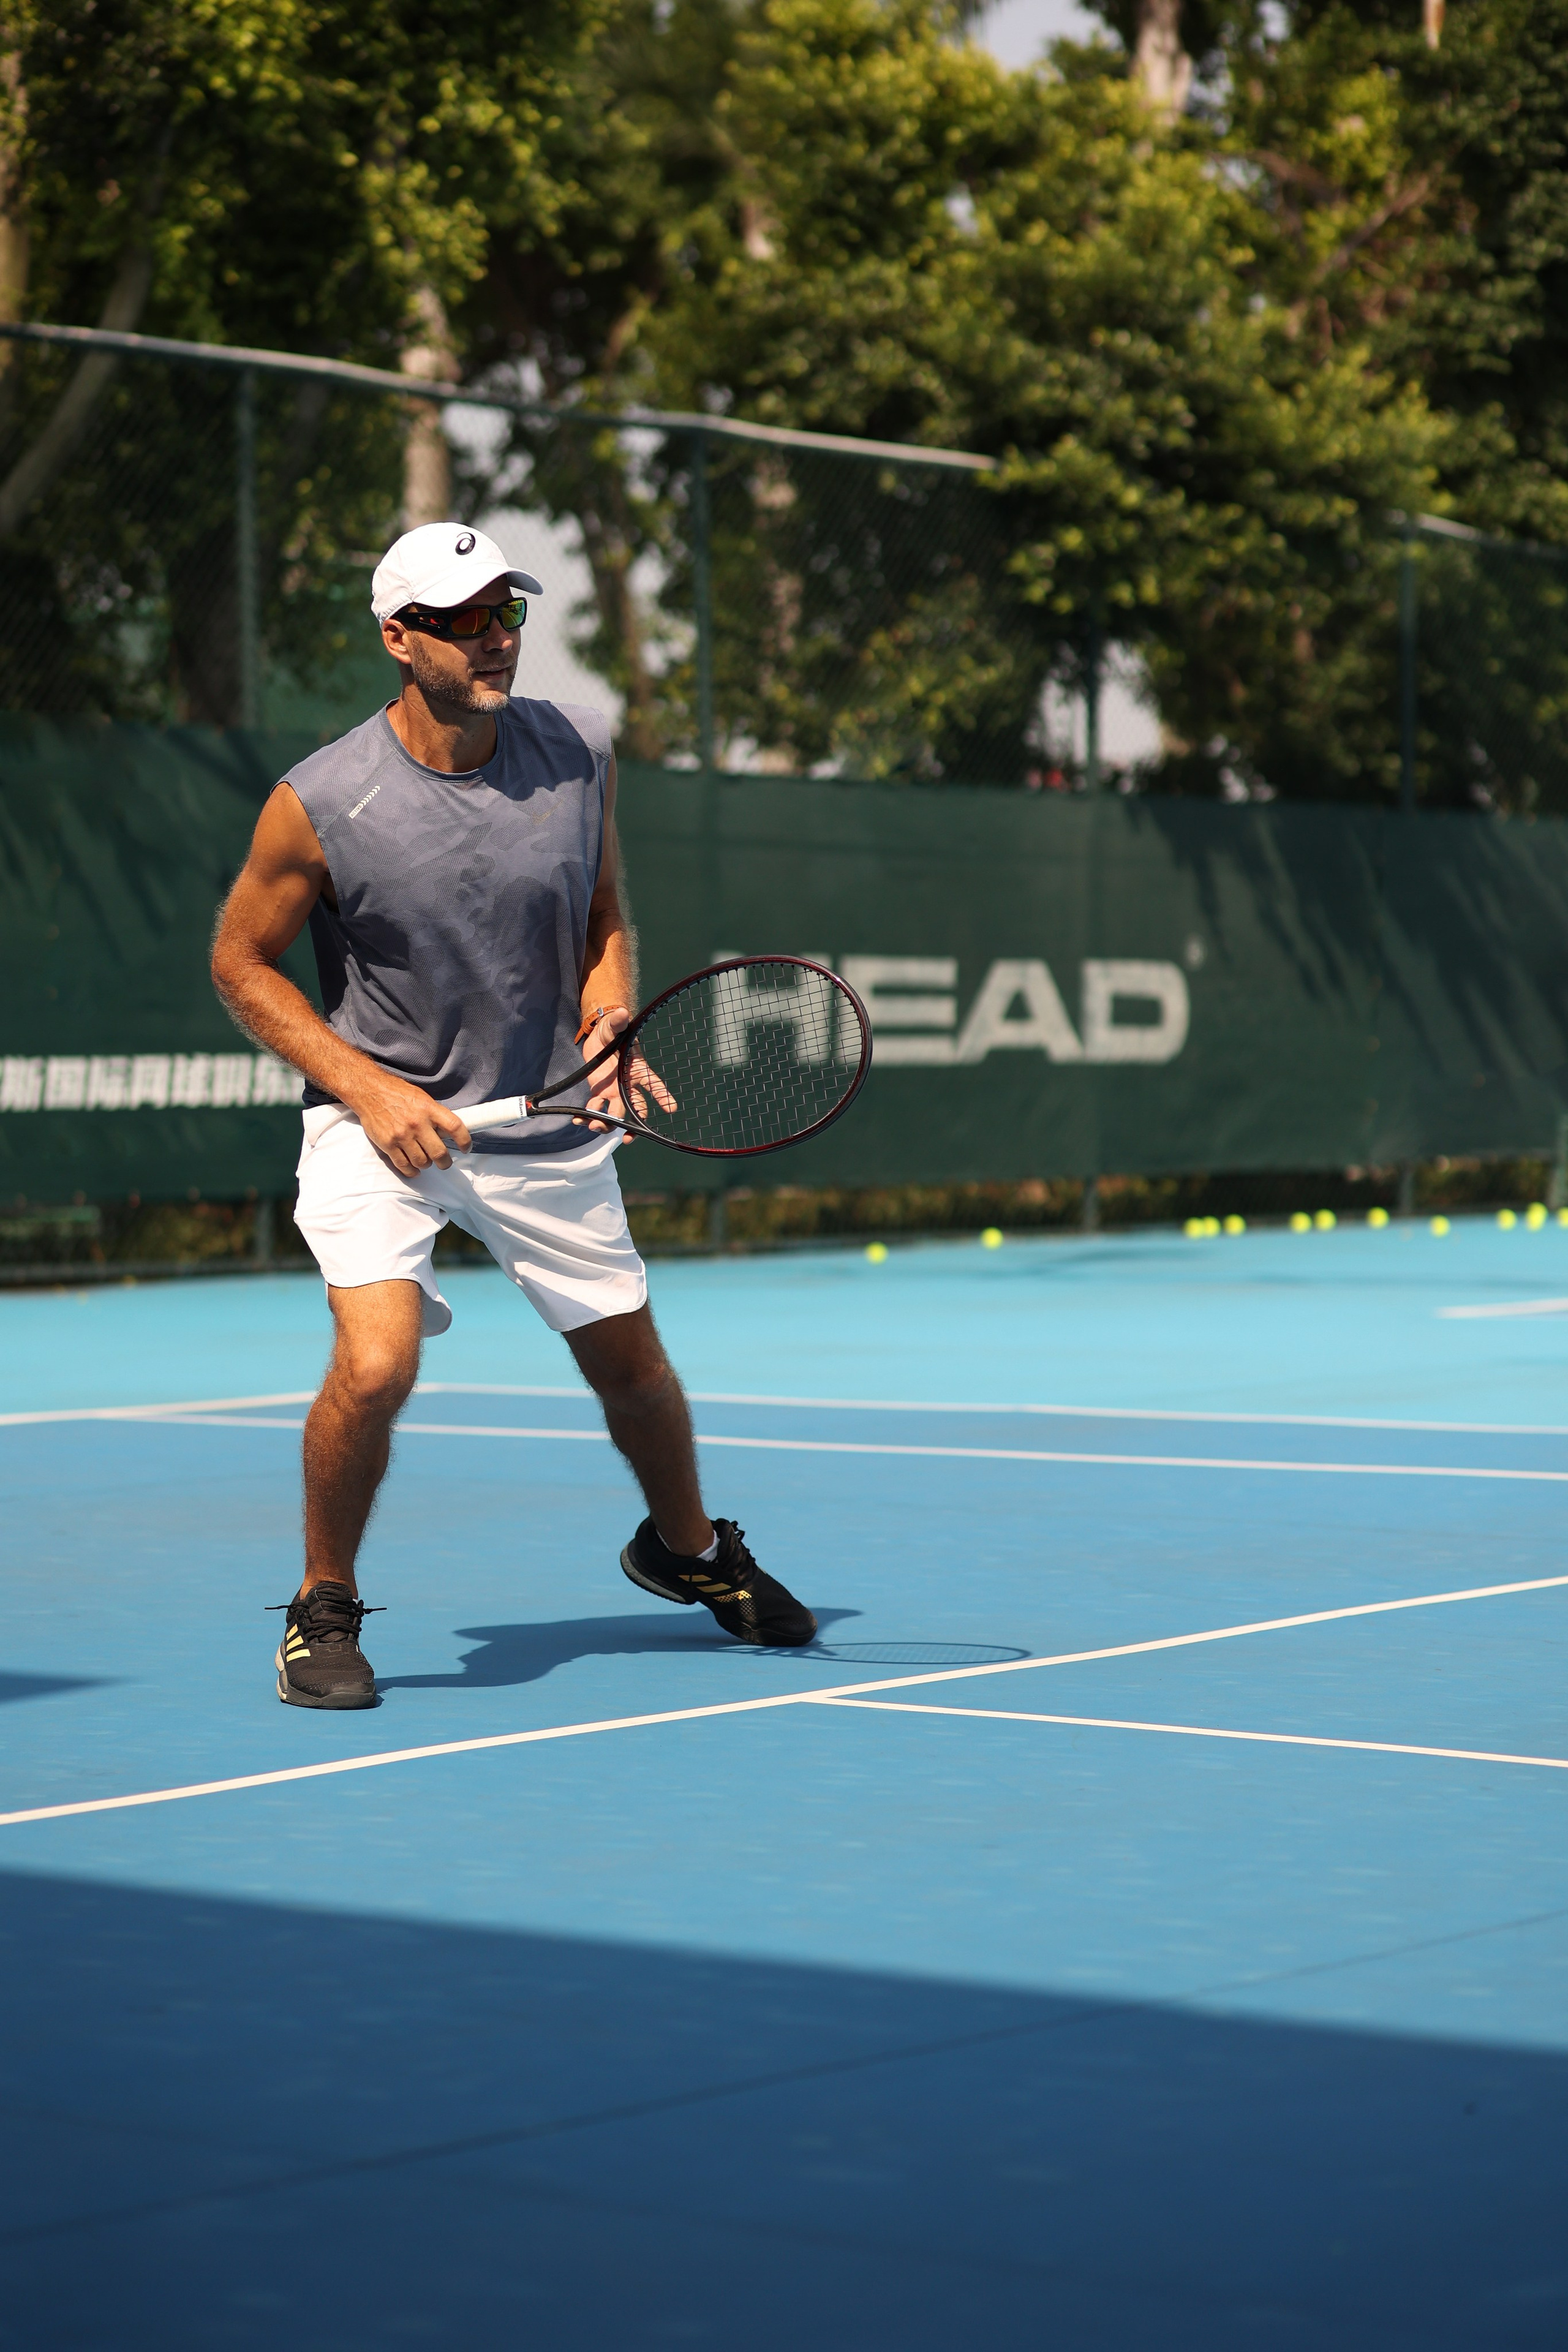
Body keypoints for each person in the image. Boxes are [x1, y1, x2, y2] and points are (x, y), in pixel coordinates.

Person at [211, 521, 816, 1708]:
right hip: (381, 1120)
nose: (496, 639)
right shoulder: (321, 802)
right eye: (463, 620)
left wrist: (609, 1010)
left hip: (541, 1120)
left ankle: (685, 1552)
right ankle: (319, 1608)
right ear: (398, 638)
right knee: (376, 1363)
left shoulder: (578, 748)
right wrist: (370, 1088)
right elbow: (241, 967)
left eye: (507, 612)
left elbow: (598, 915)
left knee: (634, 1375)